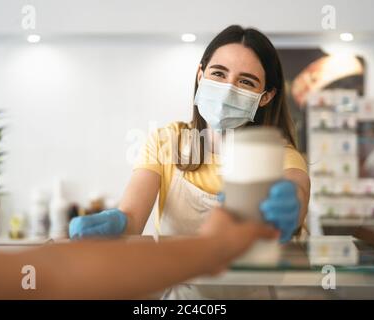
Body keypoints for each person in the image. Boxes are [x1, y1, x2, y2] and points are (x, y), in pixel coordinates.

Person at [69, 25, 310, 299]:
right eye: (218, 73)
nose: (227, 89)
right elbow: (132, 219)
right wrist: (114, 223)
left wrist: (292, 204)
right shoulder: (165, 141)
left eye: (245, 82)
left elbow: (297, 190)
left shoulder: (278, 154)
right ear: (200, 75)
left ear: (265, 96)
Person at [0, 208, 278, 299]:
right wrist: (212, 247)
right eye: (219, 73)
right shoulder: (168, 139)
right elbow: (51, 276)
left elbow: (48, 276)